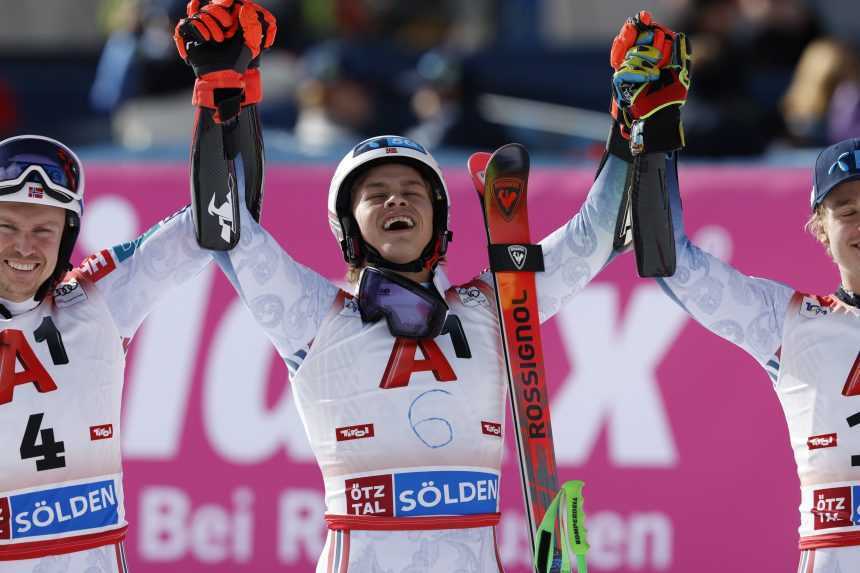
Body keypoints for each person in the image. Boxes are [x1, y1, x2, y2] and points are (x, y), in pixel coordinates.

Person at [174, 3, 688, 570]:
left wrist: (632, 125)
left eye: (412, 192)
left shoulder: (495, 305)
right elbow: (227, 230)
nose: (397, 199)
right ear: (348, 229)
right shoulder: (313, 316)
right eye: (376, 194)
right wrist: (224, 90)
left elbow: (599, 237)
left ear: (440, 221)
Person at [626, 14, 860, 572]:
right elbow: (672, 262)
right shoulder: (793, 323)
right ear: (821, 231)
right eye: (847, 211)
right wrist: (650, 136)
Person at [0, 136, 211, 572]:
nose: (24, 248)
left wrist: (223, 104)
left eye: (43, 231)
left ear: (66, 237)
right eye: (6, 228)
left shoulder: (95, 302)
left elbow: (216, 223)